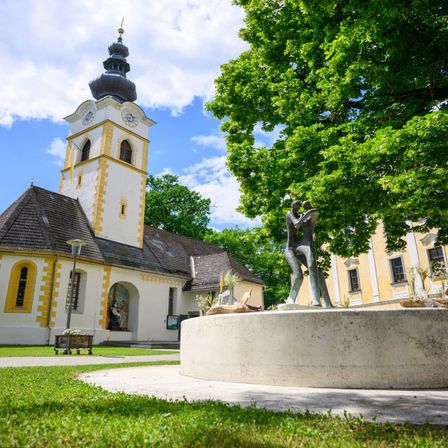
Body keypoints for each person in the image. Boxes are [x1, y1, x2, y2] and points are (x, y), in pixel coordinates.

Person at [284, 200, 333, 307]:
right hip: (290, 249)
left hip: (299, 245)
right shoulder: (289, 214)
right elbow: (297, 224)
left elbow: (313, 215)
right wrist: (307, 214)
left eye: (298, 208)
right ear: (292, 207)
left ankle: (327, 303)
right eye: (296, 207)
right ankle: (290, 299)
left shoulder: (300, 215)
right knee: (298, 275)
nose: (297, 210)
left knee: (318, 272)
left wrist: (308, 213)